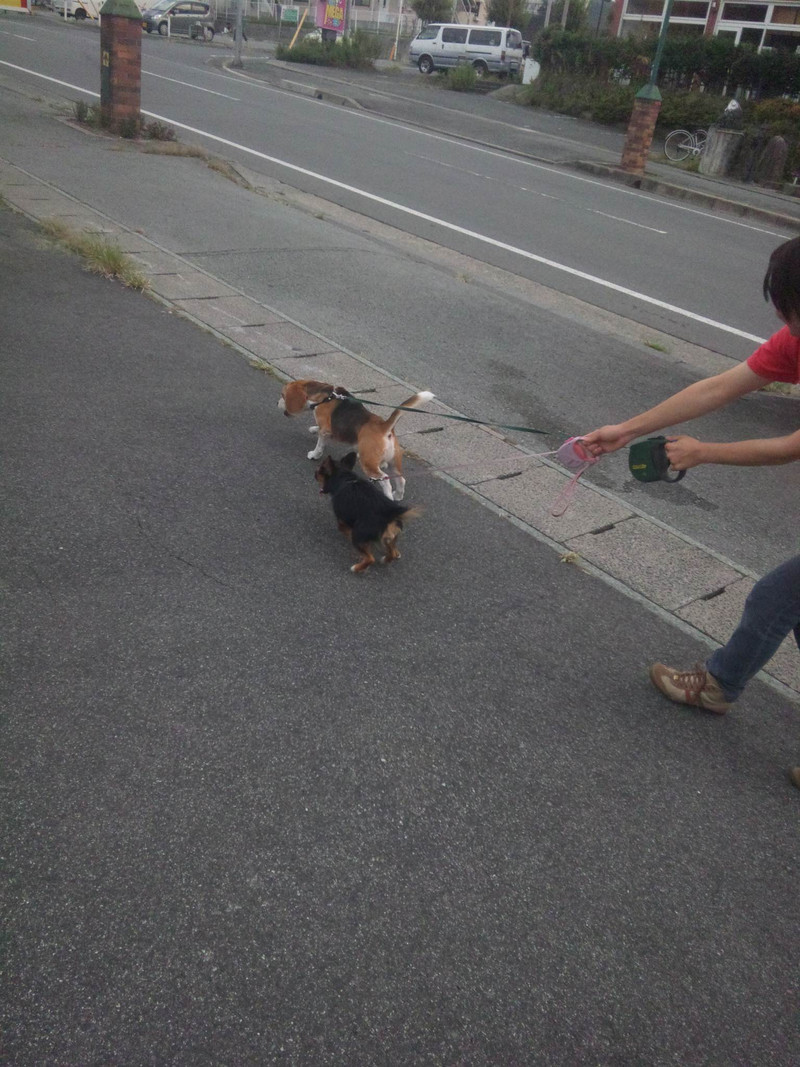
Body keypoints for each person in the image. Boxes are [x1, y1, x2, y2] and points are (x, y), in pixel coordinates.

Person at [582, 235, 800, 791]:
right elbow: (719, 387)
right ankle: (721, 685)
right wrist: (628, 430)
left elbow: (793, 444)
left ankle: (718, 686)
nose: (784, 324)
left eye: (788, 314)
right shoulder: (794, 341)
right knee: (788, 600)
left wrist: (704, 453)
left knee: (778, 596)